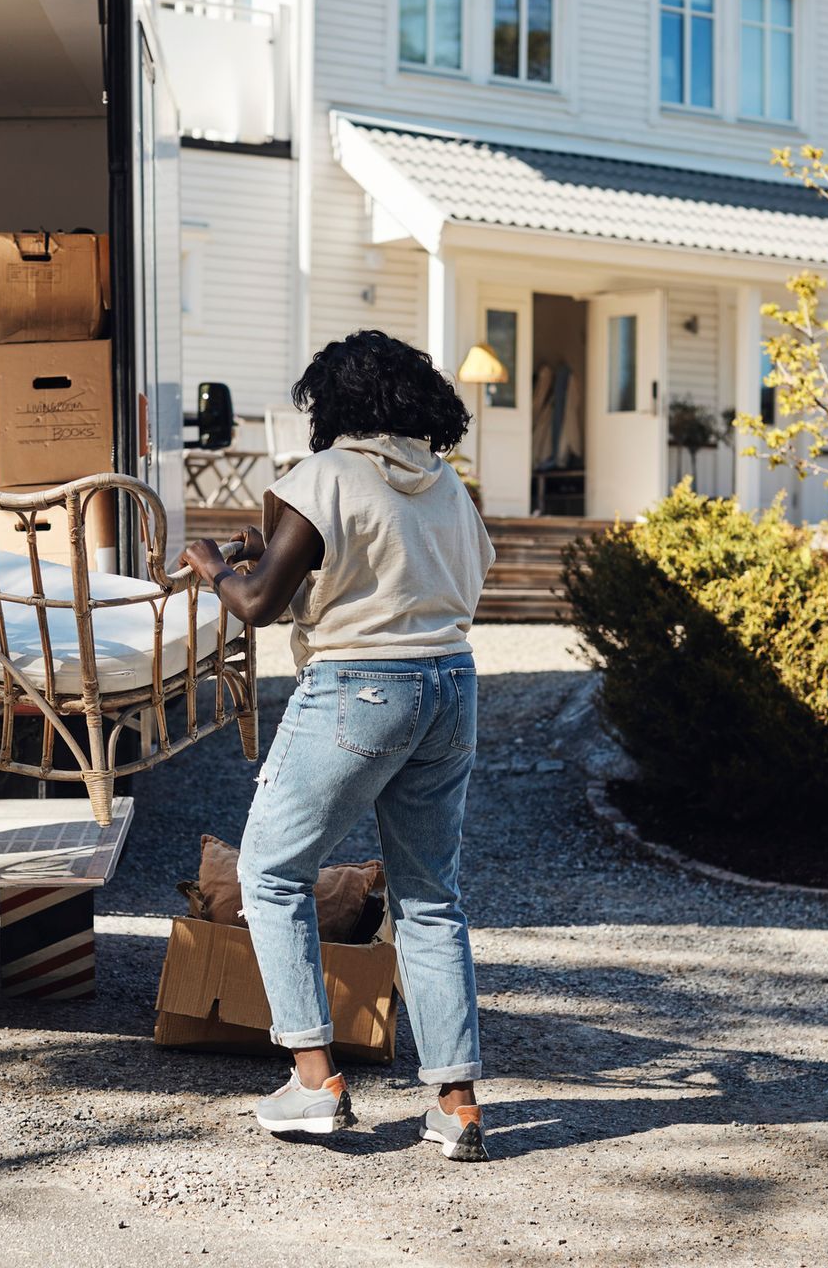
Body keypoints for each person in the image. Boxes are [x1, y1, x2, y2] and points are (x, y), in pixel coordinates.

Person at [181, 330, 497, 1163]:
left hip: (359, 690)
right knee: (431, 898)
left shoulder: (320, 478)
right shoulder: (446, 487)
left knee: (270, 869)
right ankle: (457, 1106)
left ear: (337, 403)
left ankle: (315, 1082)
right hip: (452, 687)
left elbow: (255, 603)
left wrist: (213, 562)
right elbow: (418, 564)